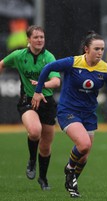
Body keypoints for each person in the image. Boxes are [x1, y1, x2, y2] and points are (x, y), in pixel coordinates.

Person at [31, 31, 107, 198]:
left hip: (88, 114)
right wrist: (38, 91)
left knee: (83, 157)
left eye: (102, 49)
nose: (100, 52)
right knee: (83, 145)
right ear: (86, 49)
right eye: (96, 48)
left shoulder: (105, 69)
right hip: (68, 111)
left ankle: (72, 182)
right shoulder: (73, 63)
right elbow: (47, 68)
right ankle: (69, 170)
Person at [0, 25, 61, 190]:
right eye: (36, 37)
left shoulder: (48, 57)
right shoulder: (19, 56)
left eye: (42, 37)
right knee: (35, 131)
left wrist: (41, 86)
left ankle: (43, 179)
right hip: (28, 100)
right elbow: (2, 64)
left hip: (46, 102)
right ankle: (32, 161)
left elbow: (56, 81)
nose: (40, 40)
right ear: (28, 39)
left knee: (46, 144)